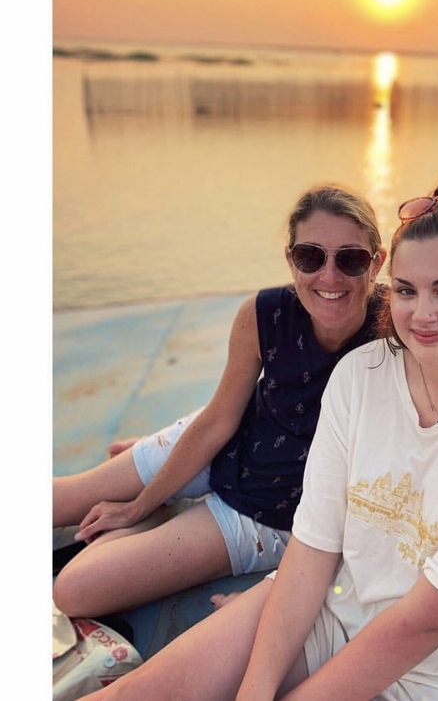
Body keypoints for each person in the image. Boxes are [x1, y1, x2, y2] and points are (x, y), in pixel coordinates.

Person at [80, 168, 438, 701]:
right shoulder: (362, 374)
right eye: (408, 291)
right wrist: (256, 687)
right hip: (336, 611)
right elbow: (314, 545)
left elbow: (427, 623)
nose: (424, 313)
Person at [52, 184, 388, 619]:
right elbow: (217, 421)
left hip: (270, 513)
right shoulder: (264, 314)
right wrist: (141, 502)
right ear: (291, 259)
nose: (329, 276)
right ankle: (164, 486)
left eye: (351, 258)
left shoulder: (399, 332)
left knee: (76, 589)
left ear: (377, 263)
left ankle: (169, 505)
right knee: (58, 501)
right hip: (224, 443)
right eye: (310, 256)